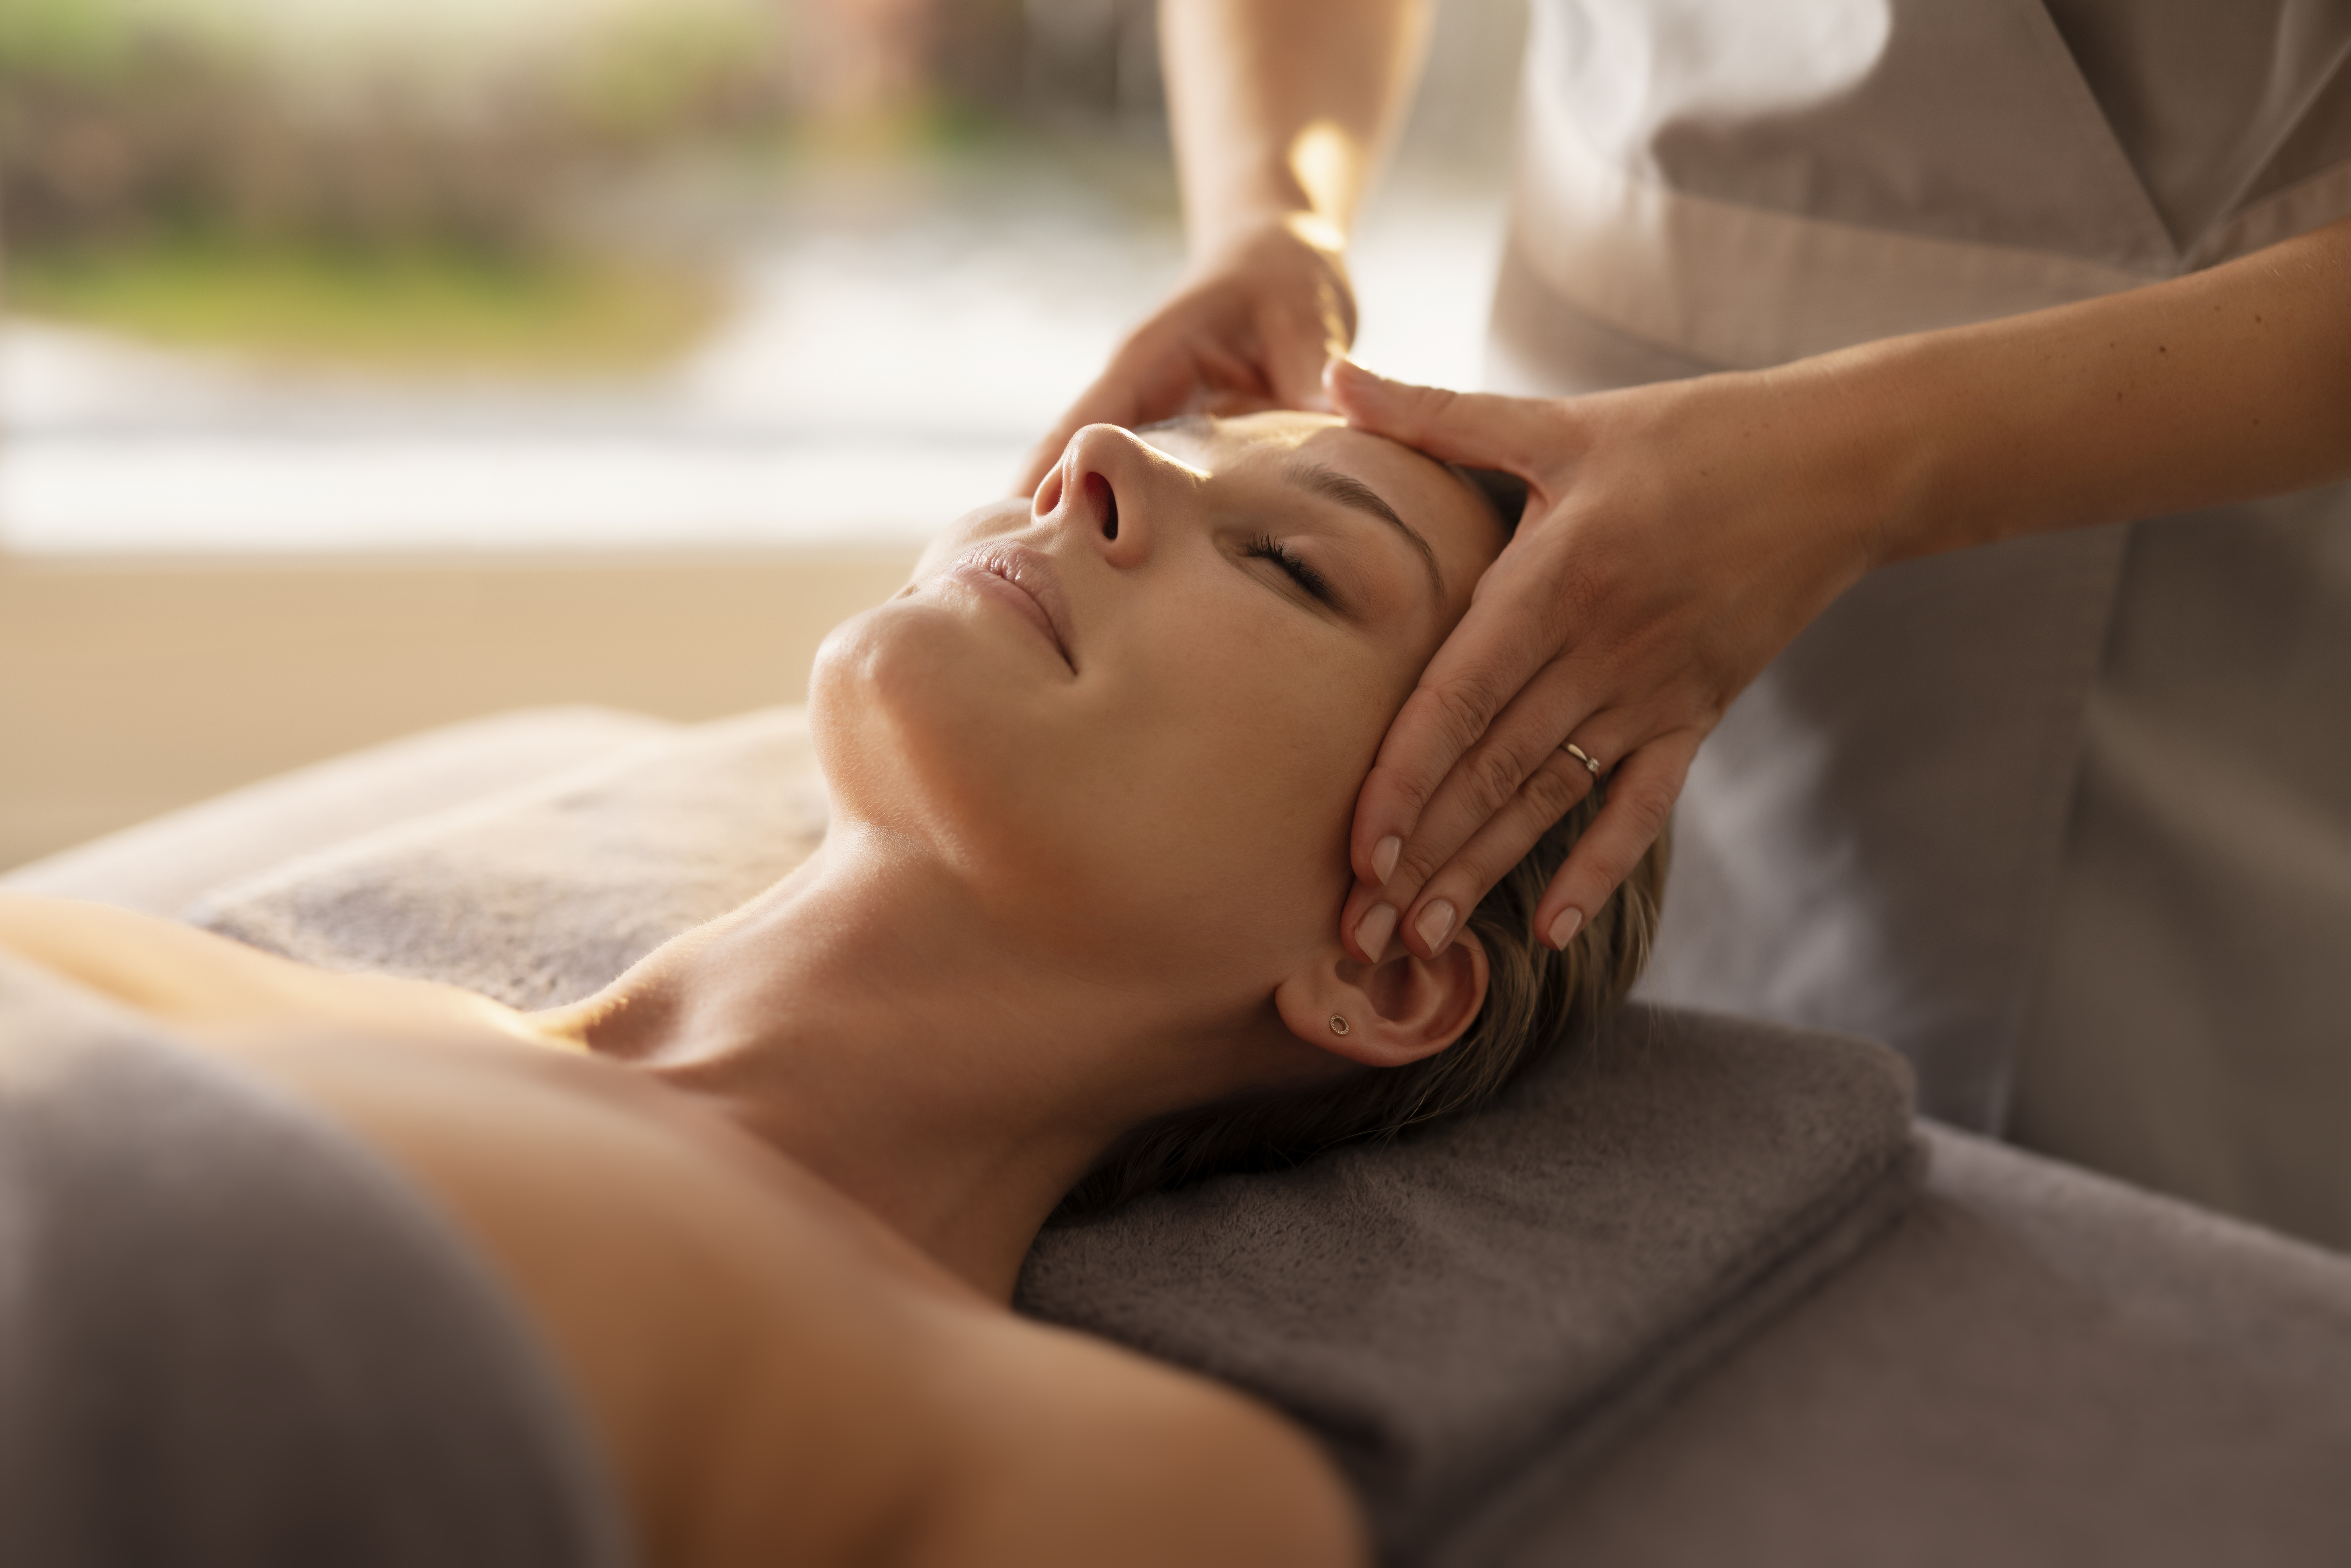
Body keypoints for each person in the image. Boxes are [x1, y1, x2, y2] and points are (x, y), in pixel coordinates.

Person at [0, 410, 1664, 1568]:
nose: (1091, 460)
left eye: (1294, 565)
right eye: (1164, 443)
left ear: (1379, 962)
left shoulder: (1085, 1460)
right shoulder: (173, 977)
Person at [1024, 0, 2351, 1247]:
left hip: (2231, 506)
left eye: (1292, 567)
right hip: (1616, 367)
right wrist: (1272, 211)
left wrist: (1856, 470)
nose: (1100, 456)